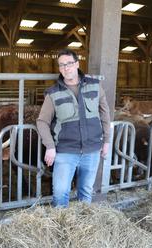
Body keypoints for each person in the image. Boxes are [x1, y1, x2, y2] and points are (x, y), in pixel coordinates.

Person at [36, 49, 111, 208]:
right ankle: (61, 225)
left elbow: (105, 113)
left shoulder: (95, 87)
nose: (66, 68)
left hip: (92, 150)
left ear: (77, 64)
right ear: (59, 68)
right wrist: (49, 146)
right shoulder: (53, 93)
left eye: (69, 64)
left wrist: (107, 141)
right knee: (60, 192)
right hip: (65, 151)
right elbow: (42, 121)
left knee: (85, 190)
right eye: (62, 65)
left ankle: (84, 226)